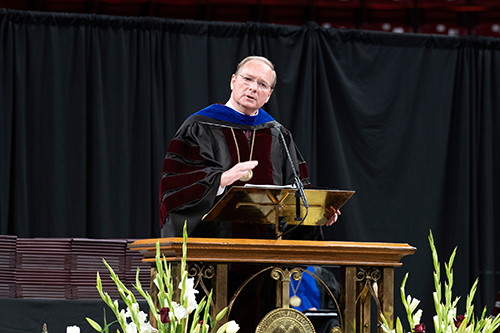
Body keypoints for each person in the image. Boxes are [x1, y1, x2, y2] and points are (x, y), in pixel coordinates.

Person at [159, 55, 340, 239]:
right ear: (233, 81)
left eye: (263, 84)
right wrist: (220, 180)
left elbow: (297, 195)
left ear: (269, 94)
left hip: (267, 254)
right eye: (247, 79)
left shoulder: (278, 135)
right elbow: (176, 187)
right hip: (214, 251)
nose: (253, 88)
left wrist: (317, 214)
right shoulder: (200, 127)